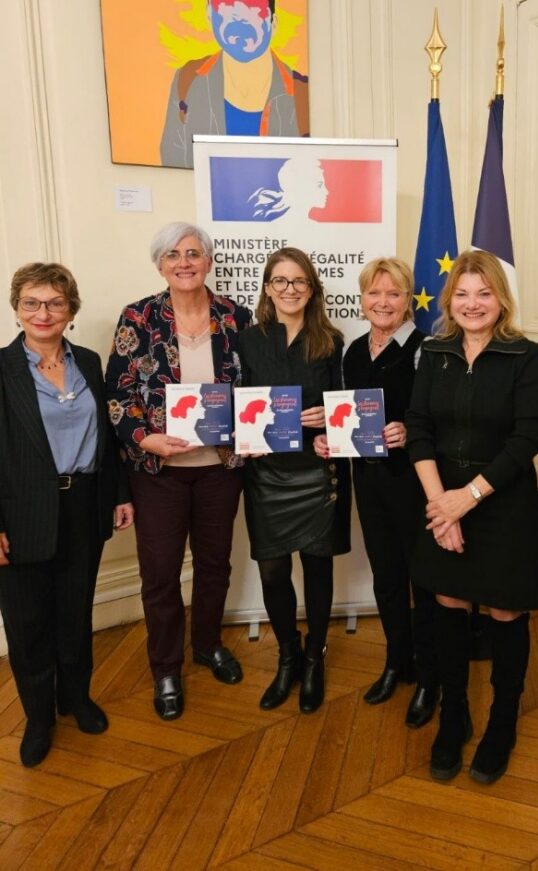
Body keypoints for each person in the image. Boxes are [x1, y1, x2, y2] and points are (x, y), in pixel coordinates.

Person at [406, 250, 538, 783]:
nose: (473, 304)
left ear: (500, 300)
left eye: (484, 293)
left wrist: (468, 498)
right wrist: (442, 506)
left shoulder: (524, 355)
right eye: (463, 294)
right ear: (450, 301)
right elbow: (417, 426)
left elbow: (526, 439)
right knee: (447, 602)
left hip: (501, 501)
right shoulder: (434, 350)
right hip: (441, 496)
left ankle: (502, 724)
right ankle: (455, 715)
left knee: (505, 613)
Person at [106, 222, 251, 721]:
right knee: (161, 574)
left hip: (219, 469)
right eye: (173, 254)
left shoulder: (237, 318)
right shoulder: (139, 318)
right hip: (159, 472)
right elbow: (119, 396)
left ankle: (207, 644)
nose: (184, 262)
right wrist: (147, 438)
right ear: (160, 264)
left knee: (215, 565)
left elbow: (254, 391)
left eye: (194, 253)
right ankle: (166, 668)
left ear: (209, 261)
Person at [0, 263, 133, 767]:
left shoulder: (91, 363)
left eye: (55, 303)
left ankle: (76, 698)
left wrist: (119, 493)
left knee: (75, 612)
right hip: (21, 513)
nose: (43, 312)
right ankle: (38, 717)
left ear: (70, 310)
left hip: (84, 502)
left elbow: (107, 436)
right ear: (17, 308)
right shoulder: (2, 368)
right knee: (28, 621)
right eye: (32, 302)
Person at [315, 257, 438, 728]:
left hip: (414, 481)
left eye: (394, 293)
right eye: (374, 293)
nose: (383, 302)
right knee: (386, 575)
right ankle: (396, 662)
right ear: (362, 298)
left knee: (421, 578)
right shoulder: (351, 353)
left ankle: (429, 676)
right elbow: (347, 415)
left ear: (409, 301)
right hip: (367, 480)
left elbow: (438, 416)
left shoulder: (428, 351)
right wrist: (329, 434)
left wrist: (409, 430)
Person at [239, 247, 350, 714]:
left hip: (317, 466)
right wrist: (246, 433)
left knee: (318, 564)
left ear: (312, 289)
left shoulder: (332, 339)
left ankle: (315, 655)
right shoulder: (247, 340)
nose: (290, 289)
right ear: (267, 288)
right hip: (266, 470)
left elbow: (346, 407)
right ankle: (287, 654)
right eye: (280, 281)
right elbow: (235, 401)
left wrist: (329, 421)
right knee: (273, 568)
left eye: (299, 281)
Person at [160, 0, 309, 169]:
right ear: (209, 16)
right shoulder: (188, 79)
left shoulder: (303, 94)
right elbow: (173, 159)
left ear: (272, 23)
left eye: (252, 8)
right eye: (226, 8)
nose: (238, 16)